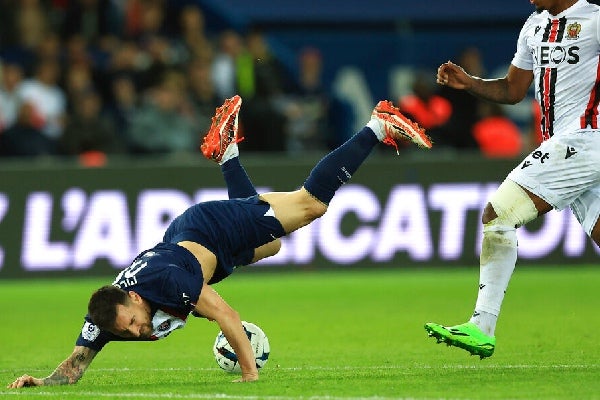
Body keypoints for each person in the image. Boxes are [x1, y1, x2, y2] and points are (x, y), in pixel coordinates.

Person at [7, 94, 431, 389]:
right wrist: (41, 381)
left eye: (133, 324)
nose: (137, 333)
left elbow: (228, 317)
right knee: (274, 245)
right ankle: (226, 153)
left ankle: (378, 124)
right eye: (128, 332)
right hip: (195, 245)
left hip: (212, 230)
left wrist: (250, 376)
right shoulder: (109, 316)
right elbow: (76, 366)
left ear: (134, 299)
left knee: (310, 206)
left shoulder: (169, 287)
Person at [425, 0, 600, 359]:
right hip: (567, 147)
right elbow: (512, 89)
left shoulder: (595, 19)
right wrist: (470, 83)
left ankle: (482, 325)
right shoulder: (533, 25)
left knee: (498, 214)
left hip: (585, 139)